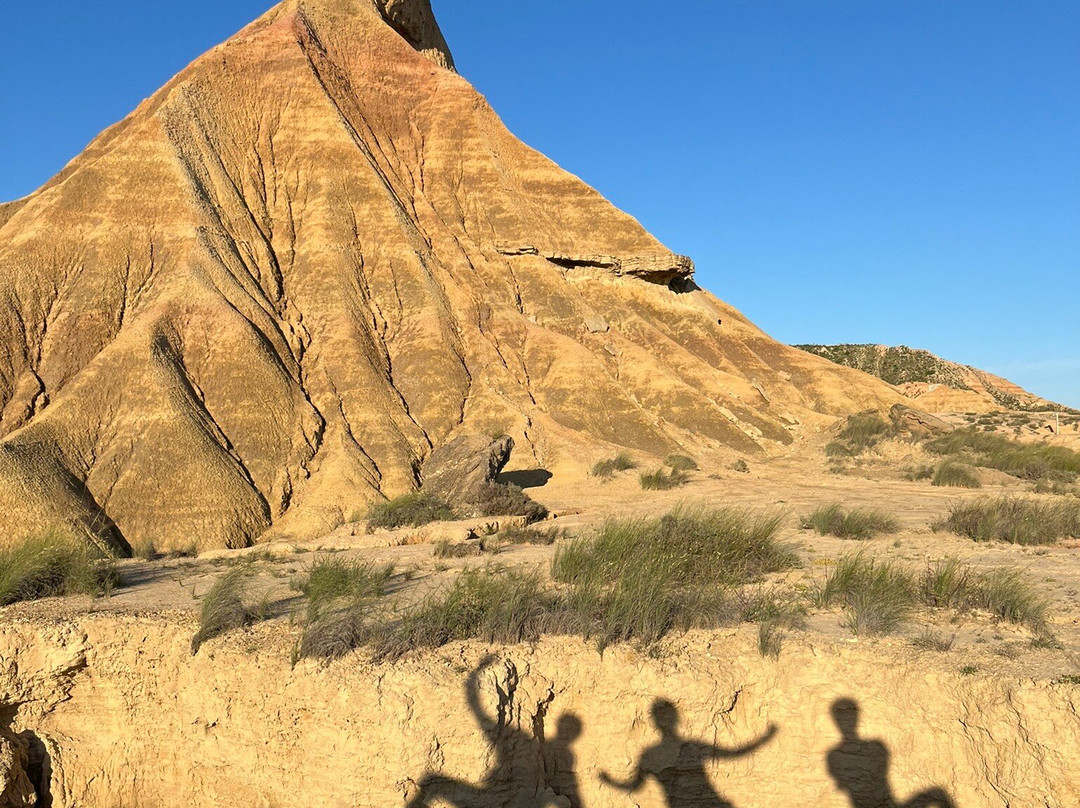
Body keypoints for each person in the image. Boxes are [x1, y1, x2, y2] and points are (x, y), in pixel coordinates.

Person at [600, 698, 777, 808]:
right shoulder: (689, 744)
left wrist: (609, 781)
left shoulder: (649, 752)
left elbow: (633, 785)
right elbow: (734, 754)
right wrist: (765, 738)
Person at [827, 698, 956, 808]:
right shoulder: (873, 746)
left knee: (937, 792)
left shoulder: (833, 754)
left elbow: (841, 784)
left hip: (878, 798)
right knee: (937, 792)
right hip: (880, 798)